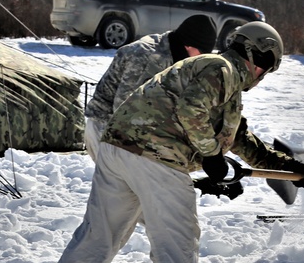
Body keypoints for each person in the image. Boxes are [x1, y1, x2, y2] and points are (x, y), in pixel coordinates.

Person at [26, 22, 304, 263]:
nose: (263, 75)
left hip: (118, 149)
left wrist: (287, 166)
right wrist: (210, 156)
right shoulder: (220, 69)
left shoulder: (221, 83)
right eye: (266, 65)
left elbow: (239, 138)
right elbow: (190, 111)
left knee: (100, 232)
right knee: (178, 237)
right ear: (253, 52)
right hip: (156, 156)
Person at [83, 14, 218, 161]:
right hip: (107, 129)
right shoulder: (148, 57)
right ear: (189, 45)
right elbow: (124, 111)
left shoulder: (174, 51)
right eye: (202, 53)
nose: (201, 59)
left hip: (131, 132)